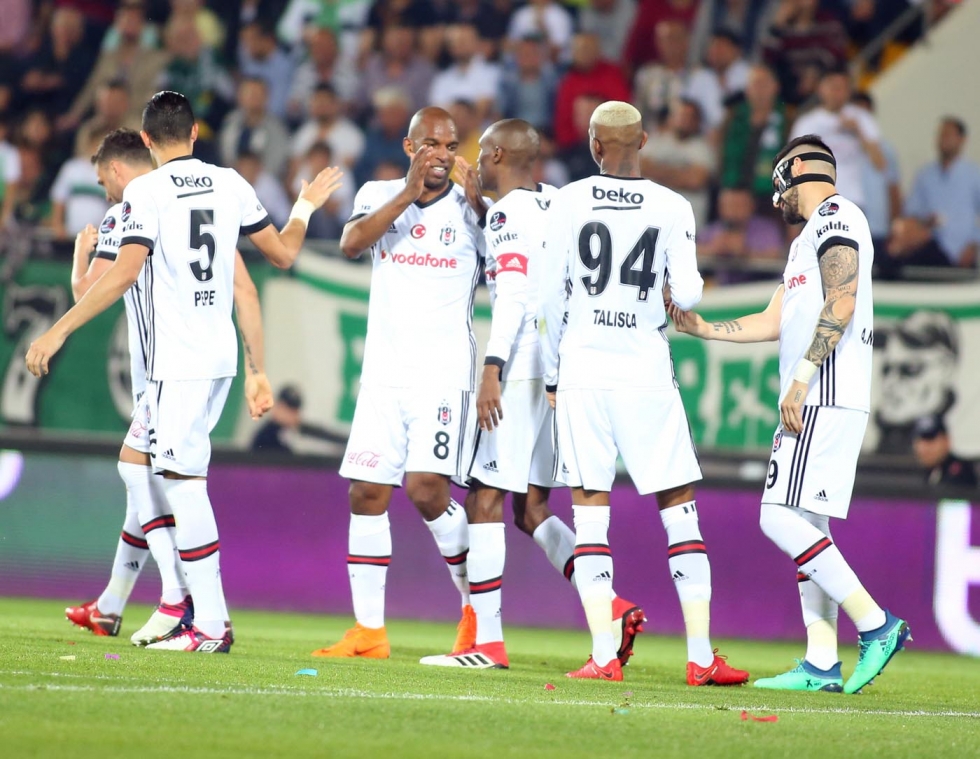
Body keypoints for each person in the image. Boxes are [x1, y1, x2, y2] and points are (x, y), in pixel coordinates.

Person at [26, 90, 344, 653]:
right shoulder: (231, 183)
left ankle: (207, 621)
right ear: (196, 133)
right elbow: (282, 256)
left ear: (147, 139)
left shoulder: (145, 193)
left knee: (182, 485)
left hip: (176, 362)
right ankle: (152, 603)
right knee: (139, 466)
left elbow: (124, 273)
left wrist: (59, 330)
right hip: (216, 358)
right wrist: (303, 208)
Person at [670, 134, 911, 694]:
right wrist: (700, 327)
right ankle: (821, 662)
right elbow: (772, 320)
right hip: (824, 392)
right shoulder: (806, 239)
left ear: (797, 167)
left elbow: (842, 300)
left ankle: (876, 624)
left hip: (823, 390)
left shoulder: (836, 216)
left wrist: (801, 378)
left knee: (776, 518)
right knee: (809, 526)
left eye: (778, 181)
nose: (775, 197)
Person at [417, 119, 645, 670]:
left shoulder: (505, 215)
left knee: (484, 499)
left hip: (519, 369)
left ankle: (488, 644)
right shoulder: (559, 203)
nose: (475, 161)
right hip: (563, 373)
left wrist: (492, 368)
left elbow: (514, 294)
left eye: (480, 153)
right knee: (532, 508)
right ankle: (610, 606)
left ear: (498, 154)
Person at [538, 100, 749, 685]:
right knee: (678, 505)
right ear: (645, 142)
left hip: (583, 368)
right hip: (645, 368)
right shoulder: (672, 205)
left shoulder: (568, 200)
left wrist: (553, 375)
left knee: (589, 510)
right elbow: (691, 293)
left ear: (593, 145)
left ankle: (603, 656)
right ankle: (700, 656)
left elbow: (548, 299)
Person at [64, 127, 274, 645]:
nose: (105, 194)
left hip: (165, 369)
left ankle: (183, 602)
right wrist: (256, 368)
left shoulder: (132, 209)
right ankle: (112, 606)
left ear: (117, 168)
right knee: (146, 486)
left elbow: (93, 289)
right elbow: (246, 286)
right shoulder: (209, 199)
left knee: (151, 475)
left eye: (103, 181)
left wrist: (79, 258)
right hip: (212, 361)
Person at [312, 107, 485, 660]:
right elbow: (350, 243)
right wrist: (407, 194)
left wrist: (484, 205)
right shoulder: (378, 193)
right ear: (410, 147)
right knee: (365, 492)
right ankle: (369, 632)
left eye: (451, 146)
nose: (443, 155)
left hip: (443, 374)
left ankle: (477, 614)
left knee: (427, 490)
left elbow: (513, 268)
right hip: (384, 374)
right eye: (432, 144)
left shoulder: (472, 209)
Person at [790, 69, 885, 210]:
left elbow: (879, 163)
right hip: (817, 201)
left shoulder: (861, 117)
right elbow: (793, 166)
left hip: (853, 200)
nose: (837, 93)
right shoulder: (807, 123)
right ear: (820, 89)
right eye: (833, 87)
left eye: (842, 88)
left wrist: (858, 132)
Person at [903, 117, 980, 268]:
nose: (943, 139)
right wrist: (925, 221)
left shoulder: (974, 176)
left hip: (963, 254)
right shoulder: (925, 175)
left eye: (948, 134)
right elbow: (911, 213)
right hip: (931, 252)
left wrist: (974, 243)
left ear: (962, 140)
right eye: (941, 134)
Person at [912, 414, 978, 489]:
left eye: (930, 440)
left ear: (946, 441)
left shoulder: (961, 472)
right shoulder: (929, 471)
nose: (923, 448)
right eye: (920, 441)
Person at [251, 385, 304, 453]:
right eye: (286, 409)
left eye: (294, 411)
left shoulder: (292, 434)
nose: (291, 415)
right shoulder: (266, 437)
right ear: (277, 407)